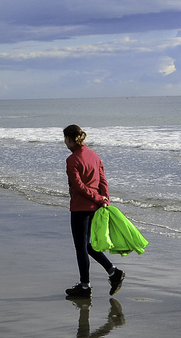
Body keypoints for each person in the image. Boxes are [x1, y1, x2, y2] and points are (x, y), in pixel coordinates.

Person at [63, 124, 126, 298]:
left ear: (69, 139)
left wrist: (100, 199)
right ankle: (114, 272)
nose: (64, 142)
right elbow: (103, 181)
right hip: (95, 208)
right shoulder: (95, 156)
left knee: (81, 247)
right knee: (88, 245)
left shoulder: (72, 160)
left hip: (81, 208)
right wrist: (105, 199)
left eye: (65, 139)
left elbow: (79, 187)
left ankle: (85, 287)